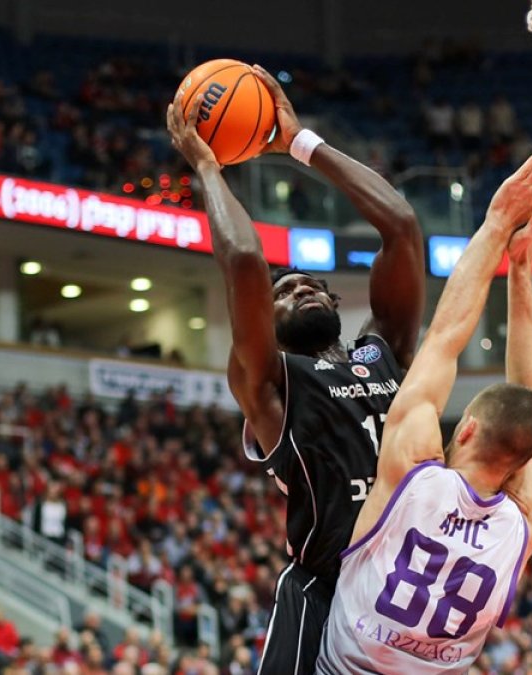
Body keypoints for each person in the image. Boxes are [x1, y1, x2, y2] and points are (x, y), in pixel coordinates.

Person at [166, 63, 426, 675]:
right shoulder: (272, 385)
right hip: (327, 594)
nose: (300, 288)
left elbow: (403, 227)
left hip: (407, 593)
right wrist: (208, 168)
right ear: (268, 325)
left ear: (338, 309)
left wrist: (299, 143)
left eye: (311, 285)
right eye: (285, 292)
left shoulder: (383, 350)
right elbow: (246, 264)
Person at [315, 146, 532, 673]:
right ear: (524, 459)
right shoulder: (523, 522)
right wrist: (521, 270)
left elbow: (444, 340)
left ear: (469, 428)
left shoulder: (413, 477)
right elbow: (530, 398)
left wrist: (498, 222)